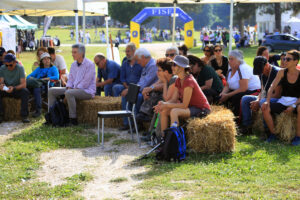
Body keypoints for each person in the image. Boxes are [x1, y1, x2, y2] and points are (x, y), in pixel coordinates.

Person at [154, 55, 210, 134]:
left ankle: (174, 140)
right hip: (191, 107)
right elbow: (173, 99)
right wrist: (162, 105)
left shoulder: (189, 81)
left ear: (182, 67)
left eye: (174, 65)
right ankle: (164, 140)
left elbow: (184, 105)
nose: (172, 67)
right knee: (164, 110)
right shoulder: (178, 80)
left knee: (174, 111)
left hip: (202, 110)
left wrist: (165, 105)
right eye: (172, 65)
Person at [48, 44, 96, 126]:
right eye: (72, 52)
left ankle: (73, 119)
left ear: (81, 53)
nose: (72, 54)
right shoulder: (73, 64)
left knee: (69, 93)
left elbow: (85, 83)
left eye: (75, 52)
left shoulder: (90, 65)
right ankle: (52, 116)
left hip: (87, 91)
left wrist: (70, 90)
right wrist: (69, 87)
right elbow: (71, 79)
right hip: (73, 89)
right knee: (51, 90)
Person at [262, 50, 300, 146]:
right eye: (283, 58)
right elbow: (271, 87)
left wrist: (293, 106)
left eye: (288, 59)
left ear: (296, 62)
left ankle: (298, 137)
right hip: (283, 101)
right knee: (264, 107)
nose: (284, 61)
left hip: (297, 102)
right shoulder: (281, 72)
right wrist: (267, 101)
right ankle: (273, 134)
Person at [119, 48, 158, 130]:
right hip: (145, 90)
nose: (137, 62)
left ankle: (137, 124)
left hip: (153, 92)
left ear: (143, 57)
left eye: (138, 60)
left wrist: (131, 90)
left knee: (137, 97)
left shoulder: (153, 66)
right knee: (126, 96)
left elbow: (145, 83)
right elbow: (141, 82)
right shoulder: (145, 66)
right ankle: (128, 123)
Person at [240, 56, 280, 134]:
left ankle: (267, 131)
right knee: (245, 99)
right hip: (265, 97)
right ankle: (247, 127)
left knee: (263, 102)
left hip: (277, 99)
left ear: (267, 64)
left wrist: (260, 101)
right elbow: (262, 90)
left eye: (262, 70)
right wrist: (257, 100)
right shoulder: (262, 73)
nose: (261, 73)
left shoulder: (276, 73)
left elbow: (277, 94)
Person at [218, 50, 261, 118]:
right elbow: (227, 85)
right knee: (220, 97)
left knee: (236, 97)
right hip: (240, 90)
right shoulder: (230, 69)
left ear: (238, 60)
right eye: (229, 59)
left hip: (254, 91)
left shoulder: (243, 68)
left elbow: (243, 88)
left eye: (231, 59)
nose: (229, 61)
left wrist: (227, 95)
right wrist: (223, 94)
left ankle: (238, 120)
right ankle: (225, 117)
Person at [27, 52, 59, 117]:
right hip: (37, 84)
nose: (46, 60)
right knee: (26, 88)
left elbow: (57, 77)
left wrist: (47, 78)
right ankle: (26, 109)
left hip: (47, 85)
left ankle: (38, 111)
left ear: (50, 60)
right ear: (41, 61)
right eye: (44, 59)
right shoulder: (39, 69)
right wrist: (31, 78)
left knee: (37, 89)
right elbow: (28, 76)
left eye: (48, 59)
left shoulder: (53, 68)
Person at [0, 53, 30, 123]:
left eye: (10, 65)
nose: (8, 67)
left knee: (25, 91)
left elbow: (24, 84)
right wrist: (1, 86)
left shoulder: (20, 68)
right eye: (6, 65)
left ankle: (24, 116)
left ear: (15, 62)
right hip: (6, 89)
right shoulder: (2, 68)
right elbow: (1, 81)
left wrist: (14, 88)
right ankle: (0, 115)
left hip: (16, 89)